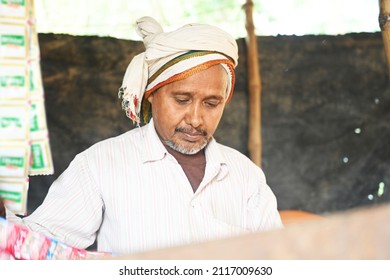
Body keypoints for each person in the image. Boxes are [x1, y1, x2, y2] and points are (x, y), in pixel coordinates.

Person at [0, 16, 282, 256]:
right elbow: (38, 247)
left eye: (211, 103)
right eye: (182, 100)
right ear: (152, 95)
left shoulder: (245, 177)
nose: (196, 119)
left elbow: (277, 259)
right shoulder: (101, 164)